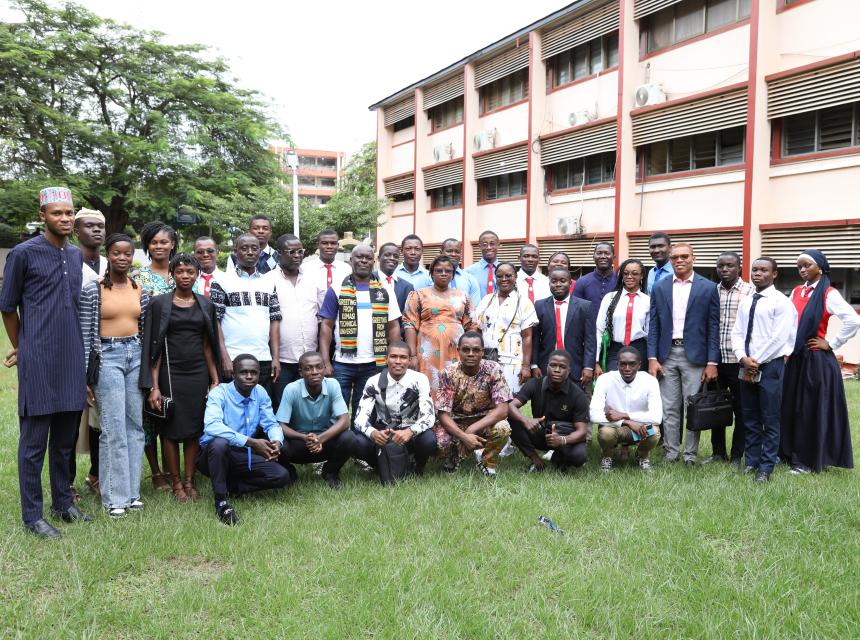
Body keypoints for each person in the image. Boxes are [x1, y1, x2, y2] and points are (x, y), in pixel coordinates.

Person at [0, 187, 92, 538]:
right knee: (34, 443)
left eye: (69, 214)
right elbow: (7, 306)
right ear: (43, 217)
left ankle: (63, 503)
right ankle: (33, 516)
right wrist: (23, 346)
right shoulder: (24, 254)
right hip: (38, 358)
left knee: (65, 441)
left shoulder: (74, 256)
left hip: (71, 357)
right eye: (57, 214)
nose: (65, 219)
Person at [141, 254, 221, 502]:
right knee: (170, 430)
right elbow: (154, 349)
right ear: (172, 275)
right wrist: (153, 386)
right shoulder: (159, 304)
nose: (185, 276)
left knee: (194, 430)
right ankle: (175, 482)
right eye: (180, 272)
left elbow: (209, 345)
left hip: (197, 373)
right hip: (169, 373)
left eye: (190, 272)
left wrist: (214, 379)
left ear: (197, 274)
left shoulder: (206, 304)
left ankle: (190, 480)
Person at [81, 233, 150, 518]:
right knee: (113, 428)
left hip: (134, 355)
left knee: (135, 427)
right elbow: (85, 334)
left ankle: (131, 493)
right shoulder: (92, 289)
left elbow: (144, 330)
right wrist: (86, 377)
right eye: (116, 253)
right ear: (107, 255)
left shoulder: (139, 288)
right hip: (106, 357)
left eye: (127, 253)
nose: (122, 258)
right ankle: (113, 498)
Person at [780, 249, 859, 474]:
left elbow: (853, 320)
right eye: (800, 267)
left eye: (808, 265)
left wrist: (831, 343)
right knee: (790, 406)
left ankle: (805, 461)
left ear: (820, 269)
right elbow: (788, 324)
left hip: (816, 360)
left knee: (808, 409)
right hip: (795, 358)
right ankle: (787, 453)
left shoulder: (829, 294)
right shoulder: (796, 291)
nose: (803, 270)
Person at [647, 242, 720, 465]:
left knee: (693, 408)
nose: (679, 260)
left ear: (693, 258)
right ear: (670, 260)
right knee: (669, 408)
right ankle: (671, 452)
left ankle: (690, 455)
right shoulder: (660, 287)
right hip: (666, 355)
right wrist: (652, 358)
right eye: (675, 257)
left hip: (695, 357)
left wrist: (711, 362)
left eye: (684, 256)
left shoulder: (707, 287)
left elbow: (713, 327)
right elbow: (654, 325)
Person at [199, 354, 291, 525]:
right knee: (220, 443)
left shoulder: (260, 392)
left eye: (253, 373)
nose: (249, 376)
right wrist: (251, 442)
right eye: (244, 372)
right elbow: (211, 426)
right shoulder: (219, 393)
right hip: (213, 455)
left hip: (243, 454)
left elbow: (271, 424)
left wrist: (276, 442)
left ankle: (233, 487)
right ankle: (221, 502)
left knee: (282, 476)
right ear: (233, 373)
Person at [319, 243, 401, 423]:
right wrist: (325, 361)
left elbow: (394, 326)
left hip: (373, 363)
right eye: (359, 257)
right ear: (351, 259)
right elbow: (326, 325)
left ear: (374, 261)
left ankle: (360, 446)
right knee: (335, 410)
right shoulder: (337, 288)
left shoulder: (385, 289)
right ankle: (337, 447)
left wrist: (393, 358)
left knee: (364, 411)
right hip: (342, 363)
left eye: (368, 258)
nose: (364, 260)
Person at [731, 258, 797, 483]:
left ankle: (766, 467)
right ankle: (751, 461)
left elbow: (779, 338)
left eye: (764, 270)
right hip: (746, 364)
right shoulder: (747, 300)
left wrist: (755, 361)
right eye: (755, 270)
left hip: (769, 366)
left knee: (769, 418)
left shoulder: (781, 302)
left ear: (775, 274)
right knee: (749, 416)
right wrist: (742, 357)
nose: (758, 274)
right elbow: (737, 332)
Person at [133, 221, 177, 492]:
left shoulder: (183, 273)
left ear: (173, 244)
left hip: (180, 355)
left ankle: (176, 470)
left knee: (172, 412)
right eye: (154, 242)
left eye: (164, 242)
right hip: (149, 352)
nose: (159, 246)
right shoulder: (139, 277)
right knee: (149, 413)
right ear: (147, 246)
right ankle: (156, 471)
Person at [210, 233, 281, 398]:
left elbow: (275, 321)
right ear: (235, 252)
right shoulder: (221, 281)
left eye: (254, 248)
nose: (250, 252)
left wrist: (275, 358)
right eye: (244, 248)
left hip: (263, 359)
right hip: (233, 359)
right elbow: (215, 322)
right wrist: (224, 357)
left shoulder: (269, 283)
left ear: (260, 252)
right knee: (232, 410)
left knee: (261, 410)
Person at [434, 332, 513, 476]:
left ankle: (487, 462)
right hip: (456, 420)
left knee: (503, 428)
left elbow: (503, 410)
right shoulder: (448, 373)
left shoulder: (493, 369)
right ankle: (454, 457)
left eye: (476, 350)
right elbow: (443, 414)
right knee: (441, 443)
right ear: (458, 351)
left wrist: (472, 429)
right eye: (466, 350)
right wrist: (464, 437)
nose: (471, 354)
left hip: (483, 420)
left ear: (482, 352)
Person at [353, 342, 437, 475]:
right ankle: (379, 465)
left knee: (429, 440)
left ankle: (418, 467)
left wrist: (410, 431)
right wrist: (373, 433)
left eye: (403, 357)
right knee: (358, 442)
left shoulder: (420, 379)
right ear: (386, 359)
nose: (398, 361)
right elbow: (359, 419)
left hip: (411, 432)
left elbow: (429, 416)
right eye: (393, 356)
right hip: (385, 433)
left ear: (409, 360)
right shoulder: (373, 381)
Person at [275, 351, 356, 490]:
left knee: (349, 437)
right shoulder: (291, 389)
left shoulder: (333, 385)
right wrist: (304, 437)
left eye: (318, 367)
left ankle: (330, 472)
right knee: (278, 443)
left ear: (324, 369)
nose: (314, 372)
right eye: (308, 368)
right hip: (299, 444)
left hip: (325, 443)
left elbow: (344, 420)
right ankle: (290, 472)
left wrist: (320, 439)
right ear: (300, 372)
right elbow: (280, 425)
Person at [705, 251, 753, 467]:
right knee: (716, 408)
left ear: (739, 267)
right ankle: (718, 452)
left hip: (739, 360)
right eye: (721, 266)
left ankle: (736, 455)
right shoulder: (710, 291)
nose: (724, 270)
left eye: (730, 265)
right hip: (716, 360)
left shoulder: (750, 291)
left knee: (742, 410)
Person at [403, 255, 476, 393]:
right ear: (431, 273)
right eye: (438, 270)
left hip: (456, 351)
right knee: (427, 388)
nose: (443, 273)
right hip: (427, 352)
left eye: (448, 271)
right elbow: (410, 325)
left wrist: (471, 352)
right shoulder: (418, 295)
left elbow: (471, 326)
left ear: (453, 275)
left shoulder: (463, 296)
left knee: (455, 386)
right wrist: (411, 356)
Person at [263, 234, 320, 412]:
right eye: (292, 251)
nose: (297, 255)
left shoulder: (312, 279)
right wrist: (275, 357)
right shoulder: (268, 280)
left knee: (310, 407)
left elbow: (322, 316)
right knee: (282, 407)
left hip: (310, 359)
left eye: (300, 251)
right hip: (282, 360)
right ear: (279, 254)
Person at [508, 350, 590, 472]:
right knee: (511, 419)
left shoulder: (578, 395)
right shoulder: (534, 384)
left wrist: (562, 440)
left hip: (564, 435)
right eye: (553, 365)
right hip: (540, 433)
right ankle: (535, 459)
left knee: (579, 456)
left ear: (569, 371)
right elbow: (511, 406)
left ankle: (559, 458)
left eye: (562, 367)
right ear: (547, 367)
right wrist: (525, 420)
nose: (557, 370)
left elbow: (582, 432)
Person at [72, 208, 106, 500]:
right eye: (89, 226)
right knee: (71, 420)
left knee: (98, 419)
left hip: (105, 352)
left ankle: (95, 473)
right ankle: (66, 481)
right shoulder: (68, 262)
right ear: (76, 230)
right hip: (73, 349)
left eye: (100, 226)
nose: (96, 231)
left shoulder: (110, 263)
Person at [591, 346, 663, 472]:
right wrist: (626, 421)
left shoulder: (650, 381)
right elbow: (593, 414)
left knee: (654, 432)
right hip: (615, 428)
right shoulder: (605, 379)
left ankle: (642, 455)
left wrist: (625, 415)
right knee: (605, 433)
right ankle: (607, 456)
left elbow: (657, 417)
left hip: (639, 430)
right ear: (617, 364)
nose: (627, 368)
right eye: (623, 364)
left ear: (639, 365)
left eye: (632, 364)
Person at [474, 262, 537, 394]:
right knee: (486, 398)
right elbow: (478, 330)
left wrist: (526, 366)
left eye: (508, 275)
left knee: (509, 400)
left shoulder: (523, 302)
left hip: (511, 362)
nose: (504, 279)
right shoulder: (486, 300)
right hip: (486, 359)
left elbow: (527, 336)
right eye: (499, 276)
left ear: (515, 277)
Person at [531, 267, 595, 388]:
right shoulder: (539, 305)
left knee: (576, 403)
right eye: (554, 281)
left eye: (562, 281)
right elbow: (535, 338)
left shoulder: (584, 306)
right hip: (547, 365)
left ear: (570, 283)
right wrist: (534, 365)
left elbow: (590, 340)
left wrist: (588, 366)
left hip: (575, 366)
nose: (558, 284)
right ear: (549, 283)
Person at [595, 258, 649, 373]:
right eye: (626, 273)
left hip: (639, 349)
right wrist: (595, 360)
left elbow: (650, 333)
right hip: (615, 350)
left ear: (642, 276)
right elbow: (599, 329)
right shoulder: (609, 298)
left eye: (634, 273)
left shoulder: (647, 301)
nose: (629, 277)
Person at [573, 241, 617, 327]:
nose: (603, 256)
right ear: (593, 257)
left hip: (615, 332)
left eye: (607, 253)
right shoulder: (582, 282)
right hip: (589, 332)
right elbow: (575, 311)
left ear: (614, 257)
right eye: (599, 253)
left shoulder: (621, 281)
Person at [305, 228, 352, 307]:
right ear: (318, 245)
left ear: (338, 245)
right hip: (313, 318)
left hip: (340, 317)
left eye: (333, 243)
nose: (329, 246)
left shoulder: (347, 269)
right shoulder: (306, 269)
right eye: (324, 243)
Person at [377, 241, 415, 338]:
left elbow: (408, 317)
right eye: (387, 255)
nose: (392, 258)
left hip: (398, 340)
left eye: (395, 256)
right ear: (378, 258)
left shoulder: (407, 287)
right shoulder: (369, 280)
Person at [440, 238, 481, 304]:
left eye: (457, 252)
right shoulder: (431, 278)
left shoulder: (470, 279)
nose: (453, 254)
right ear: (441, 253)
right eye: (449, 251)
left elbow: (475, 308)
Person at [465, 230, 500, 300]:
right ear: (479, 247)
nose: (489, 247)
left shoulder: (506, 270)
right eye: (485, 244)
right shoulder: (468, 272)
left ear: (498, 245)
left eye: (492, 244)